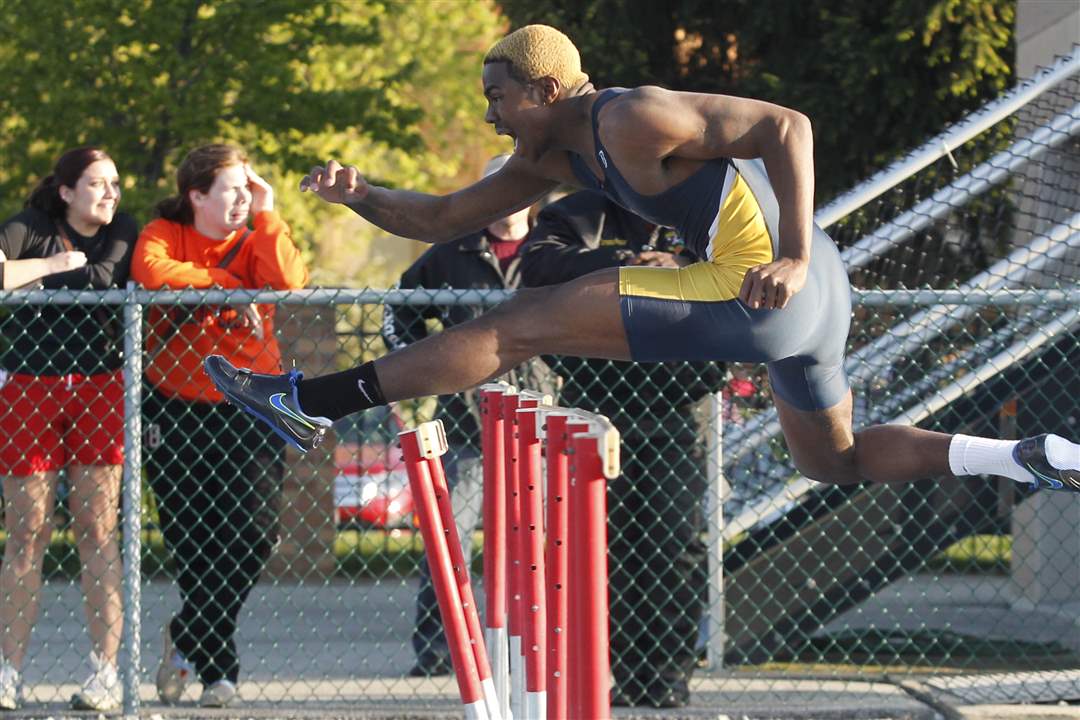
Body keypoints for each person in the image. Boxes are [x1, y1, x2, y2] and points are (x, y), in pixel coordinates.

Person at [204, 17, 1080, 675]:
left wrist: (792, 252)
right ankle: (1017, 456)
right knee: (835, 462)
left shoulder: (631, 119)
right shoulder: (553, 163)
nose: (490, 114)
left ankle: (304, 404)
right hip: (816, 305)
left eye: (497, 97)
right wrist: (362, 196)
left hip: (768, 282)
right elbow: (435, 218)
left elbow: (789, 128)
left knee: (515, 325)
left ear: (547, 90)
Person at [520, 188, 723, 707]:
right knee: (604, 550)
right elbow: (538, 263)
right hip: (598, 407)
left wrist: (677, 264)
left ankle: (667, 676)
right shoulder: (578, 210)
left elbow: (745, 265)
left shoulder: (703, 207)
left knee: (673, 543)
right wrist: (626, 263)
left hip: (679, 408)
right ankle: (619, 674)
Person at [132, 144, 309, 708]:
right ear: (197, 196)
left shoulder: (258, 233)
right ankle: (218, 673)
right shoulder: (164, 230)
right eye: (230, 189)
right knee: (193, 544)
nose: (241, 198)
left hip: (252, 404)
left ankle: (184, 636)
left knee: (253, 537)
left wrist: (269, 210)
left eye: (246, 187)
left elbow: (289, 280)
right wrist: (226, 283)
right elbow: (153, 273)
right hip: (176, 406)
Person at [383, 154, 531, 677]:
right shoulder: (452, 252)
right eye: (492, 187)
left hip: (542, 427)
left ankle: (529, 654)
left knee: (535, 546)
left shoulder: (555, 248)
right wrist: (429, 367)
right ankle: (440, 655)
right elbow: (396, 309)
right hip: (467, 425)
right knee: (448, 543)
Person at [0, 147, 136, 712]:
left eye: (114, 183)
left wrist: (29, 279)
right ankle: (7, 671)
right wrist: (53, 266)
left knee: (96, 530)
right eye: (97, 184)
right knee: (27, 531)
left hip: (100, 387)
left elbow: (105, 279)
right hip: (29, 384)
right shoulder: (30, 225)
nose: (110, 194)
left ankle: (105, 674)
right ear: (65, 190)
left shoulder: (123, 230)